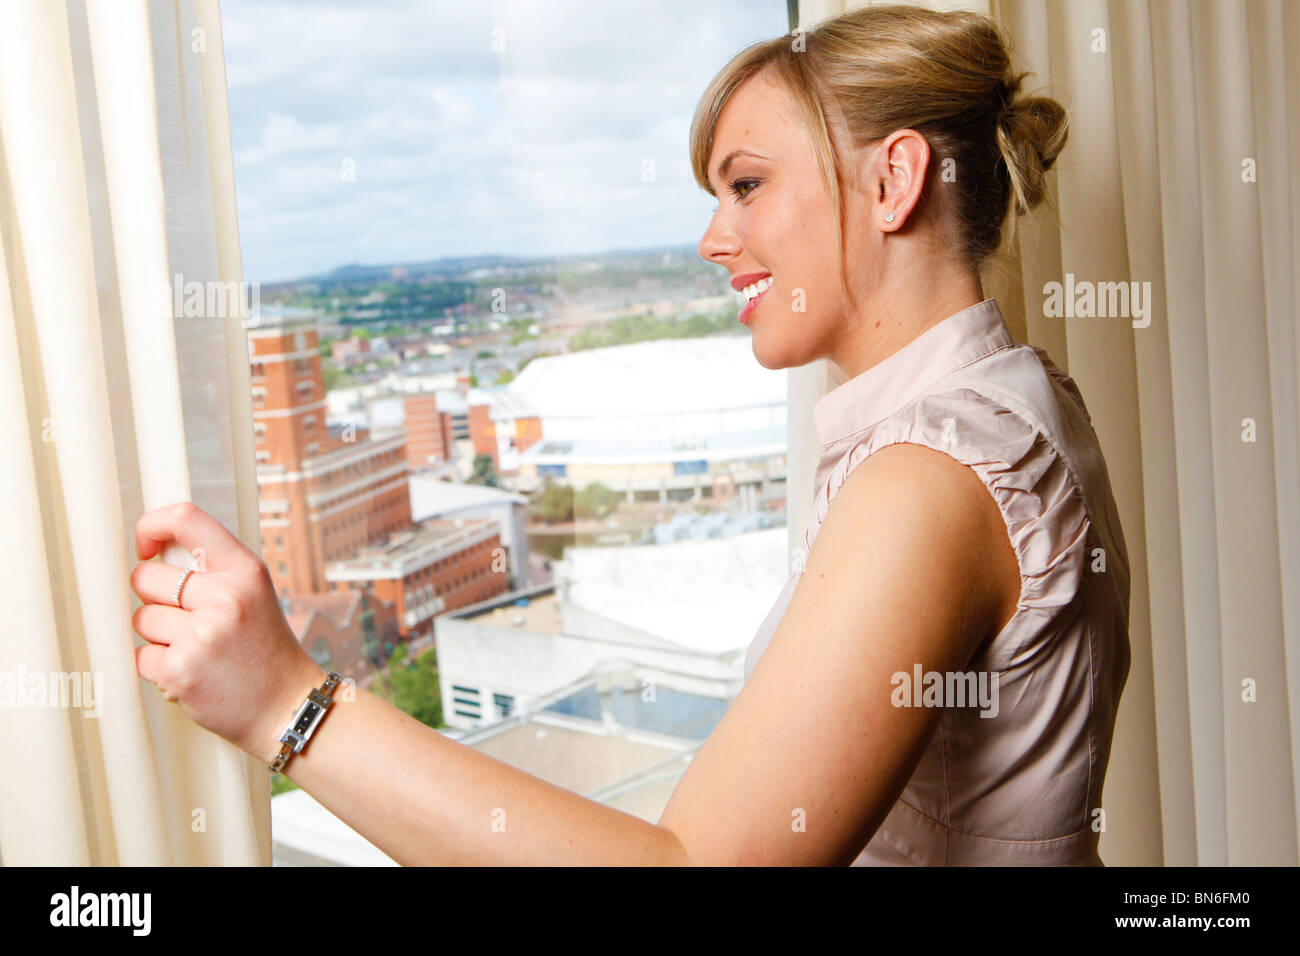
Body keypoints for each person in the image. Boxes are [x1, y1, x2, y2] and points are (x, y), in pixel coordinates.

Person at [129, 4, 1130, 866]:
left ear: (892, 180)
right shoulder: (1024, 401)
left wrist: (285, 702)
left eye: (745, 184)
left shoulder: (927, 478)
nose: (711, 238)